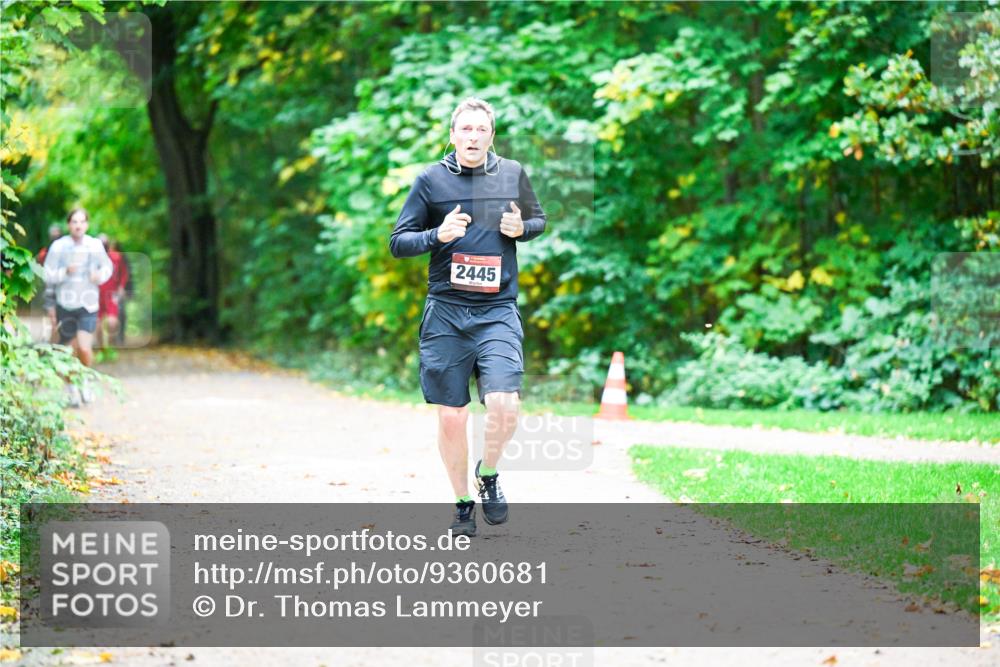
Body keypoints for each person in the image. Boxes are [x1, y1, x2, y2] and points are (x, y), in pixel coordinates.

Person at [390, 97, 547, 536]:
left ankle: (488, 473)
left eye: (481, 129)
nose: (473, 137)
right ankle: (462, 503)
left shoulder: (512, 173)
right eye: (466, 129)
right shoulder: (430, 180)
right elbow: (398, 242)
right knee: (451, 416)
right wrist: (436, 235)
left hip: (497, 310)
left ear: (491, 136)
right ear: (453, 135)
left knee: (505, 405)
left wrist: (522, 229)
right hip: (446, 311)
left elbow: (538, 220)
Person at [43, 208, 113, 406]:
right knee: (68, 351)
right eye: (74, 222)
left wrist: (99, 276)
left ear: (87, 225)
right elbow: (47, 274)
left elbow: (107, 267)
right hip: (65, 303)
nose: (78, 225)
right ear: (69, 225)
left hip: (88, 304)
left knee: (84, 347)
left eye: (82, 222)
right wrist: (64, 272)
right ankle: (72, 388)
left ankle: (85, 381)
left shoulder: (95, 245)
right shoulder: (58, 246)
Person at [96, 233, 129, 350]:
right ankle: (101, 348)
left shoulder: (116, 257)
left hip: (111, 294)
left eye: (105, 244)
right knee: (97, 323)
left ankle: (110, 346)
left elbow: (124, 273)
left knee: (112, 323)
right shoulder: (92, 259)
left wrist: (121, 287)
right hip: (96, 295)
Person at [37, 223, 63, 342]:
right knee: (53, 318)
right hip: (50, 288)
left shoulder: (66, 250)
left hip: (63, 289)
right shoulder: (44, 252)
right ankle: (54, 343)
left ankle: (55, 342)